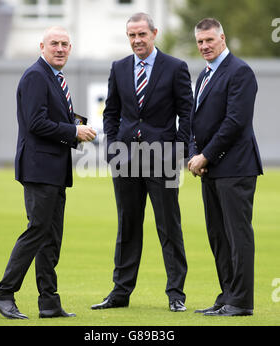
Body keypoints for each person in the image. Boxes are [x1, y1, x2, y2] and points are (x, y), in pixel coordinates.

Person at [0, 26, 96, 319]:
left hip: (53, 169)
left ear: (70, 48)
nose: (60, 48)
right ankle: (3, 294)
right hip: (39, 169)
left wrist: (73, 130)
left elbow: (49, 119)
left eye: (64, 44)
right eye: (54, 44)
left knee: (51, 237)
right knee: (38, 230)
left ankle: (49, 302)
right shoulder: (36, 75)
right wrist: (74, 130)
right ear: (42, 46)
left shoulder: (54, 77)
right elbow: (36, 123)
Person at [91, 13, 193, 312]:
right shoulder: (119, 68)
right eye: (132, 35)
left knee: (168, 227)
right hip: (125, 158)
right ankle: (120, 293)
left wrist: (178, 149)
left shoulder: (175, 68)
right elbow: (110, 112)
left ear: (154, 33)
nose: (136, 40)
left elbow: (187, 113)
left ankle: (176, 294)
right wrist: (112, 147)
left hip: (162, 158)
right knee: (128, 226)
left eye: (141, 35)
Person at [188, 18, 263, 316]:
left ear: (222, 38)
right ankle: (227, 295)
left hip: (236, 168)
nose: (205, 46)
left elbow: (235, 123)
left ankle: (241, 302)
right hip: (211, 169)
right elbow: (196, 122)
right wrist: (196, 153)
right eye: (200, 42)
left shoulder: (240, 72)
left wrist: (204, 156)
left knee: (237, 235)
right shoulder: (203, 75)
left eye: (209, 40)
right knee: (218, 236)